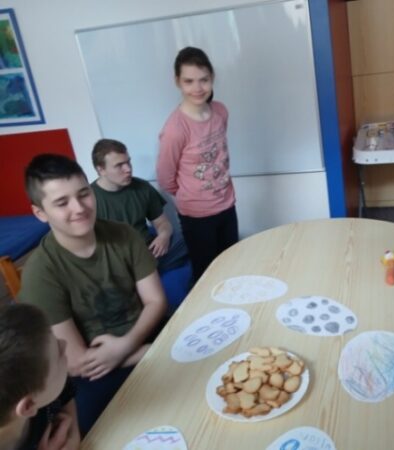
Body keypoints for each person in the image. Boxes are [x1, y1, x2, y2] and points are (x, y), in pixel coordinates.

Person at [18, 154, 167, 435]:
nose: (79, 208)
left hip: (146, 339)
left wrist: (126, 345)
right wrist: (147, 353)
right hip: (98, 372)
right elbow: (77, 363)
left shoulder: (124, 234)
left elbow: (156, 301)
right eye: (62, 202)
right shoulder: (40, 271)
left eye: (83, 194)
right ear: (40, 213)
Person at [157, 46, 238, 283]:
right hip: (196, 215)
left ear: (212, 78)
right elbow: (165, 178)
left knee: (232, 265)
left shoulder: (220, 111)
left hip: (227, 204)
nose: (198, 88)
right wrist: (192, 195)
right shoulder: (175, 129)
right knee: (206, 275)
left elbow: (217, 153)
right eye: (189, 81)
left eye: (203, 80)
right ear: (178, 82)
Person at [91, 138, 188, 273]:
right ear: (101, 170)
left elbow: (162, 223)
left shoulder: (142, 187)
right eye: (119, 165)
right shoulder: (88, 200)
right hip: (119, 259)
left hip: (149, 249)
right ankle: (146, 273)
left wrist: (163, 236)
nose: (128, 169)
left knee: (188, 238)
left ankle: (147, 272)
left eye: (128, 162)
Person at [0, 303, 80, 450]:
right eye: (59, 353)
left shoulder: (40, 388)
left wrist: (73, 433)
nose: (64, 343)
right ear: (28, 406)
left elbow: (64, 391)